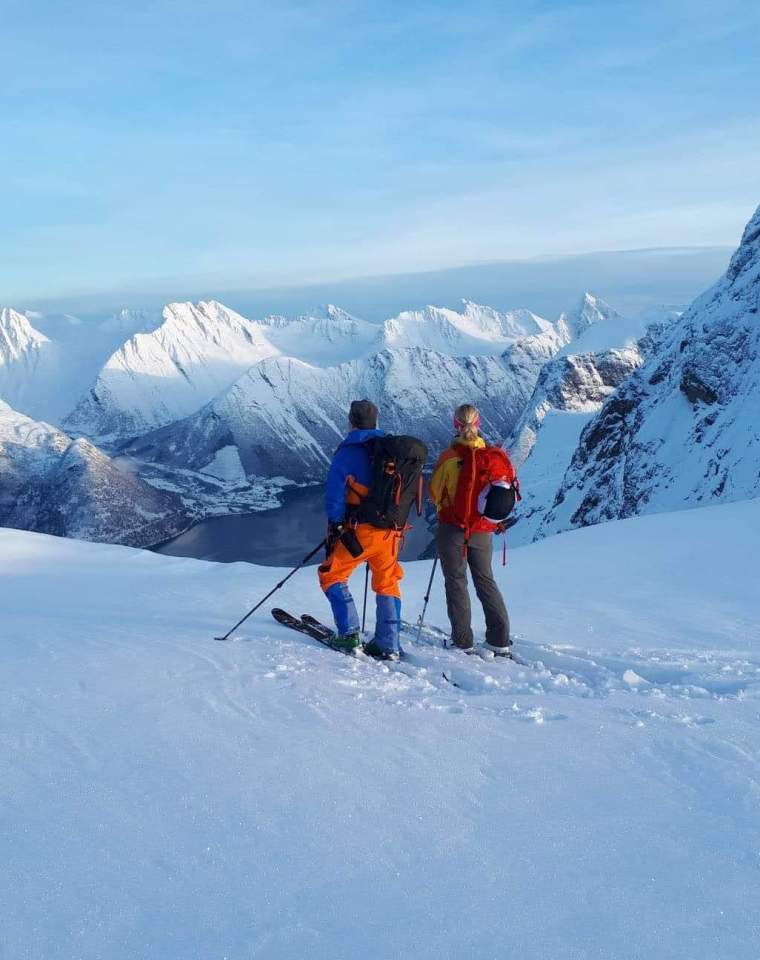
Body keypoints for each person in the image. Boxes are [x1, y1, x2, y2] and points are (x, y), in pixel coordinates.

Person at [318, 399, 404, 660]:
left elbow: (334, 496)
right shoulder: (392, 450)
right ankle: (389, 644)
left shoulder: (348, 451)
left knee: (331, 575)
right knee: (387, 582)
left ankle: (349, 633)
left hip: (359, 530)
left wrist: (336, 522)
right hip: (391, 531)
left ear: (350, 421)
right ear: (375, 421)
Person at [429, 403, 513, 655]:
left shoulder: (448, 457)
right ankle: (499, 640)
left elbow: (435, 493)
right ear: (479, 424)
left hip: (453, 528)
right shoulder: (491, 456)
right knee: (486, 581)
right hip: (483, 529)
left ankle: (463, 640)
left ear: (455, 425)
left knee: (456, 582)